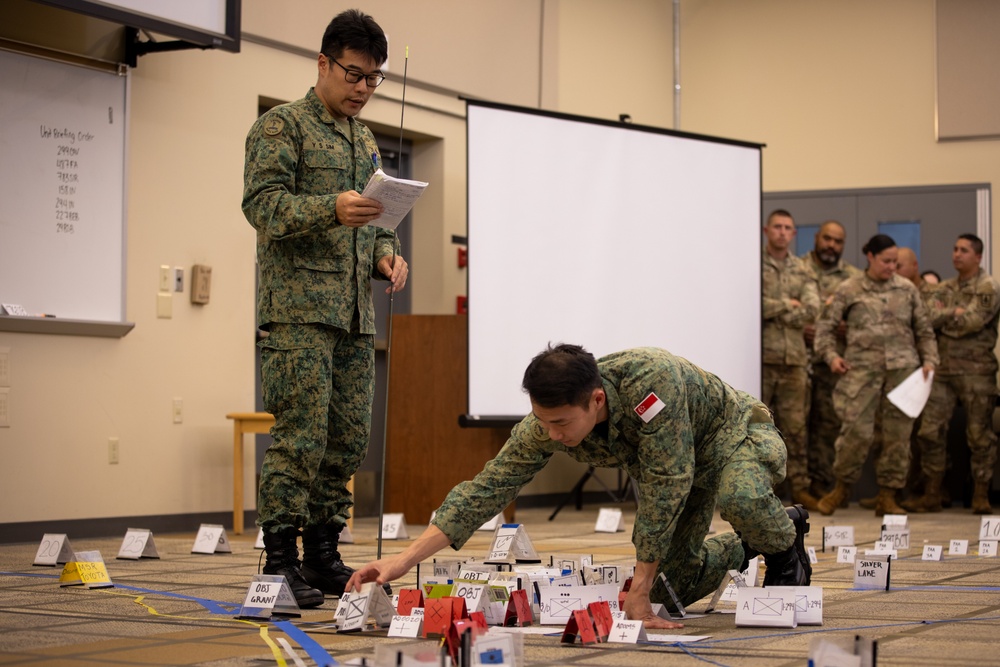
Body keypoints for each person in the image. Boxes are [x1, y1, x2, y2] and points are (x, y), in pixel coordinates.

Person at [348, 345, 812, 630]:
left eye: (562, 423)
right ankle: (756, 538)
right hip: (678, 467)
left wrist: (639, 584)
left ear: (596, 400)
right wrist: (402, 560)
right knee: (672, 591)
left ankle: (785, 549)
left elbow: (665, 483)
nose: (552, 434)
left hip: (733, 439)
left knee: (741, 498)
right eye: (543, 421)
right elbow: (485, 489)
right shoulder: (545, 424)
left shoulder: (651, 383)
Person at [242, 9, 408, 607]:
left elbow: (375, 221)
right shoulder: (280, 128)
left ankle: (322, 555)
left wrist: (387, 255)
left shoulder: (364, 140)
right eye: (355, 74)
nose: (363, 88)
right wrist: (327, 209)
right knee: (301, 437)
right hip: (299, 313)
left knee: (345, 440)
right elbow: (262, 206)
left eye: (373, 79)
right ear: (323, 63)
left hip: (355, 316)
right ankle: (279, 558)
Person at [815, 235, 938, 516]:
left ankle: (888, 496)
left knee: (898, 436)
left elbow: (925, 331)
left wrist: (930, 360)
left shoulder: (907, 289)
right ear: (869, 257)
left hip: (903, 373)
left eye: (896, 261)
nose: (892, 266)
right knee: (855, 433)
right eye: (886, 261)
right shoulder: (849, 288)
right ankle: (841, 489)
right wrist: (832, 357)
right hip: (861, 373)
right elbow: (824, 329)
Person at [908, 234, 1000, 513]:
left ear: (978, 256)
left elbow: (972, 321)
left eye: (964, 250)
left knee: (979, 435)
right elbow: (924, 319)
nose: (956, 254)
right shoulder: (945, 287)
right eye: (955, 248)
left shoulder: (989, 286)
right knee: (930, 432)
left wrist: (943, 317)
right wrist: (953, 312)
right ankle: (933, 492)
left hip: (977, 372)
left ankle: (981, 495)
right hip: (943, 371)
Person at [762, 209, 820, 510]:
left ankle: (801, 488)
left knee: (796, 429)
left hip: (794, 360)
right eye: (778, 227)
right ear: (766, 230)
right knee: (757, 427)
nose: (783, 232)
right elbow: (752, 303)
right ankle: (760, 489)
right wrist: (787, 304)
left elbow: (812, 309)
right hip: (761, 360)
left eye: (788, 228)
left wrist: (776, 310)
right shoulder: (754, 265)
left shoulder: (802, 269)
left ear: (794, 234)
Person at [801, 220, 861, 499]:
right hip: (795, 359)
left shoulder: (852, 278)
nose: (831, 246)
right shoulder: (799, 269)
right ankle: (790, 486)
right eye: (827, 239)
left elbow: (863, 318)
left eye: (837, 241)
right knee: (794, 425)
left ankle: (821, 485)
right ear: (816, 238)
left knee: (827, 427)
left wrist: (846, 326)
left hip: (830, 364)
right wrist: (802, 326)